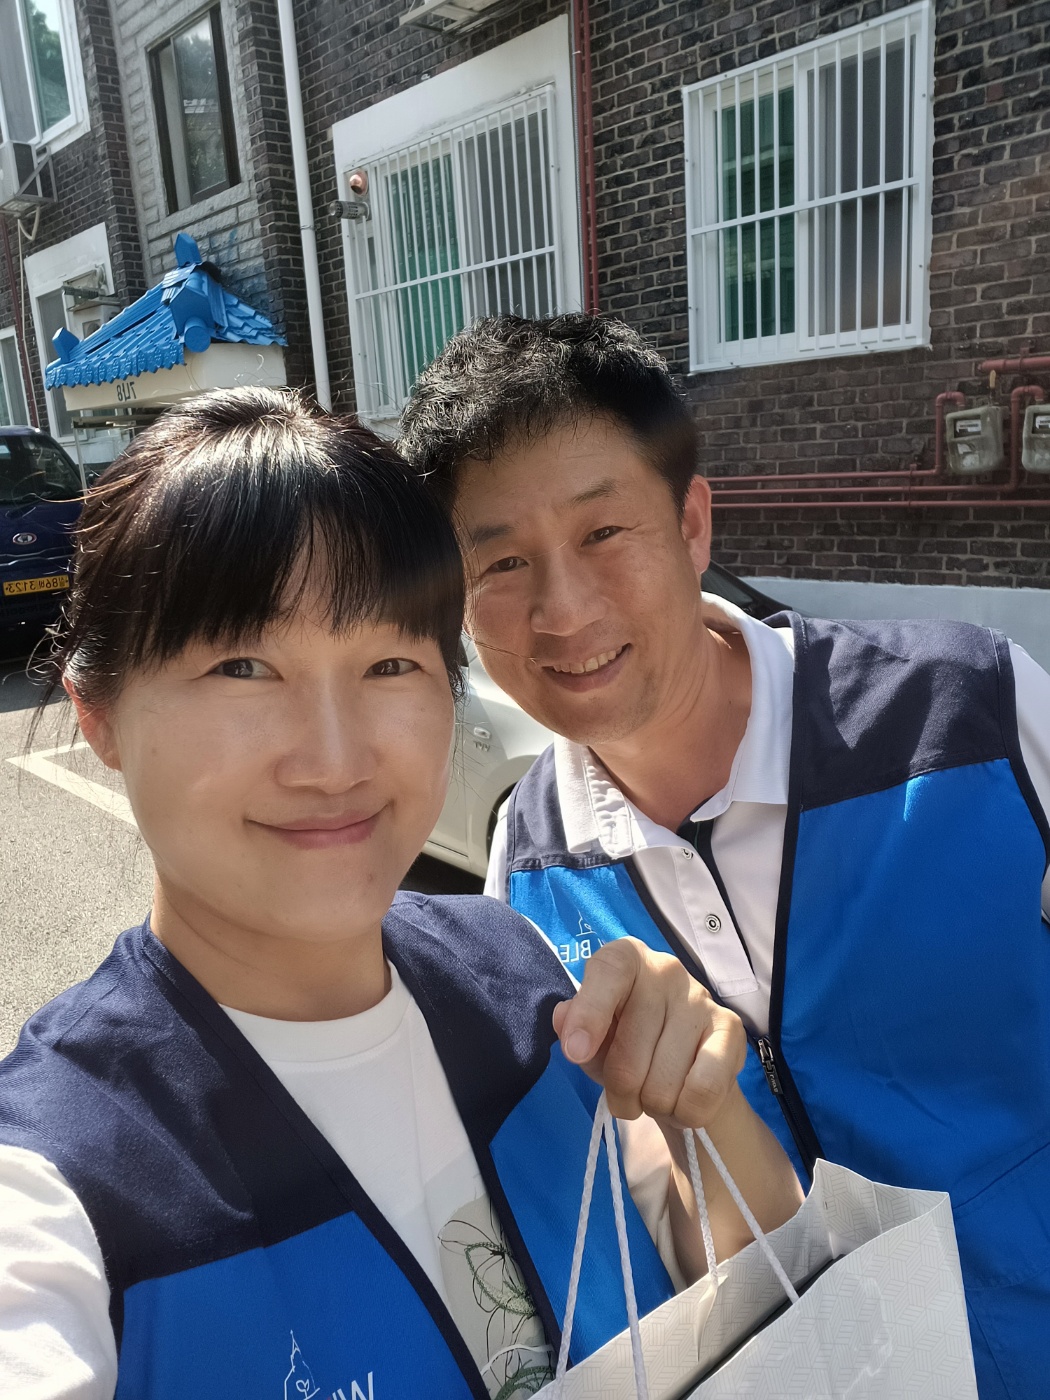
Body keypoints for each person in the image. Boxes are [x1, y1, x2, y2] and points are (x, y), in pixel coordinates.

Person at [0, 388, 801, 1400]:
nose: (335, 760)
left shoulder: (515, 978)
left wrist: (706, 1111)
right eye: (243, 666)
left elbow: (732, 1278)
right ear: (99, 712)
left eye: (388, 663)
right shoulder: (62, 1176)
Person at [399, 314, 1050, 1400]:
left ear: (692, 523)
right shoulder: (532, 865)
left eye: (604, 532)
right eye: (501, 560)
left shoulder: (974, 712)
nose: (563, 609)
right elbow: (664, 1223)